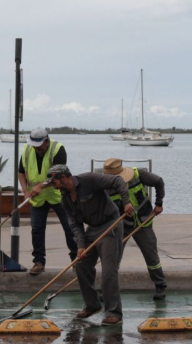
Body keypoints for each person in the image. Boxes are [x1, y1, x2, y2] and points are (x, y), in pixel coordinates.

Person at [47, 164, 134, 326]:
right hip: (92, 229)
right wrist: (80, 245)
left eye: (54, 182)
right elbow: (75, 224)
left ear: (64, 178)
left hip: (110, 225)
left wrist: (126, 202)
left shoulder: (89, 179)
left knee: (109, 271)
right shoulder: (65, 198)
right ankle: (92, 304)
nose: (54, 186)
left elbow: (118, 181)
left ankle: (113, 312)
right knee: (81, 265)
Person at [102, 158, 168, 300]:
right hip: (121, 226)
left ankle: (160, 286)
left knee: (151, 255)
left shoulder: (138, 175)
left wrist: (159, 203)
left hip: (144, 221)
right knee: (113, 258)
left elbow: (159, 182)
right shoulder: (105, 187)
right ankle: (107, 290)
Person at [19, 127, 78, 275]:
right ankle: (38, 262)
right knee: (37, 229)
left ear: (46, 141)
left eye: (39, 146)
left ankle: (77, 261)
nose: (37, 149)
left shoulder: (58, 149)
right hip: (37, 198)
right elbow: (21, 172)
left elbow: (58, 174)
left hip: (58, 195)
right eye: (34, 146)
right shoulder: (26, 150)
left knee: (70, 227)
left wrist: (41, 186)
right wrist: (26, 191)